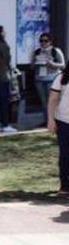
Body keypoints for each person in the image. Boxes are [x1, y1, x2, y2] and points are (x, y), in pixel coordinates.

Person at [31, 33, 65, 127]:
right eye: (41, 41)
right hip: (39, 79)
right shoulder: (37, 52)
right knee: (43, 102)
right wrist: (35, 63)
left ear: (50, 42)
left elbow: (62, 65)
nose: (43, 43)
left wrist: (52, 64)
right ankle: (46, 121)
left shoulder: (55, 51)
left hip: (52, 79)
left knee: (53, 101)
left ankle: (57, 121)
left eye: (45, 41)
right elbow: (31, 66)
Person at [48, 67, 69, 197]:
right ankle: (65, 186)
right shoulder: (62, 78)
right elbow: (53, 99)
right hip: (63, 121)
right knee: (65, 154)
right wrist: (50, 119)